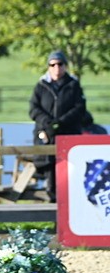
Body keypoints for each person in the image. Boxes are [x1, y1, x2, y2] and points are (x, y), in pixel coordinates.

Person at [29, 50, 89, 202]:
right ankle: (52, 201)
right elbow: (34, 109)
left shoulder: (73, 85)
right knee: (49, 166)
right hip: (46, 135)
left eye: (60, 64)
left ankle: (68, 204)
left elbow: (79, 108)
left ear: (65, 66)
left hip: (68, 133)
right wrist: (48, 124)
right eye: (53, 64)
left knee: (69, 169)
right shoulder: (41, 86)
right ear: (49, 66)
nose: (57, 68)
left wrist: (60, 123)